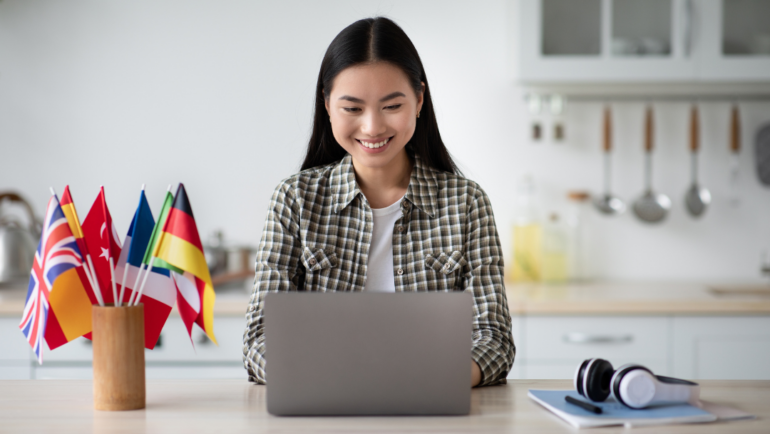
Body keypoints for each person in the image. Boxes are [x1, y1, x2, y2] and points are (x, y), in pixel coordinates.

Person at [242, 17, 514, 387]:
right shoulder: (294, 200)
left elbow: (493, 338)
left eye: (391, 106)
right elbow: (260, 337)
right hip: (321, 403)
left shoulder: (466, 203)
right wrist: (312, 379)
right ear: (326, 105)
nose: (372, 127)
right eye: (352, 108)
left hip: (431, 403)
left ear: (419, 100)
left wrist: (436, 380)